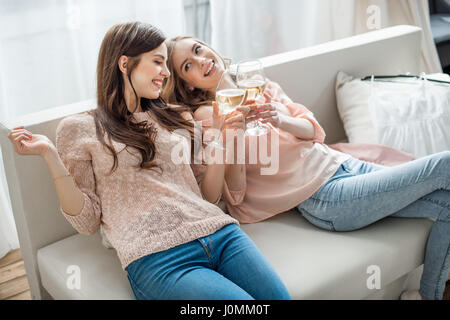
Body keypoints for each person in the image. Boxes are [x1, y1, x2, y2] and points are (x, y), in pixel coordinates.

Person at [6, 22, 291, 300]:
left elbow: (208, 194)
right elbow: (86, 221)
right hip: (159, 259)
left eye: (167, 64)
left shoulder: (177, 115)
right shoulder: (79, 129)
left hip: (221, 234)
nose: (166, 73)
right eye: (158, 62)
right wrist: (50, 156)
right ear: (124, 64)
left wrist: (219, 139)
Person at [161, 36, 450, 300]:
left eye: (198, 49)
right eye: (188, 65)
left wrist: (279, 119)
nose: (201, 60)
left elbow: (314, 131)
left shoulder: (257, 85)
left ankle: (428, 295)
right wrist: (231, 135)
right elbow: (235, 197)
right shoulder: (207, 117)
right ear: (188, 84)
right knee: (444, 164)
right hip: (327, 196)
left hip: (345, 165)